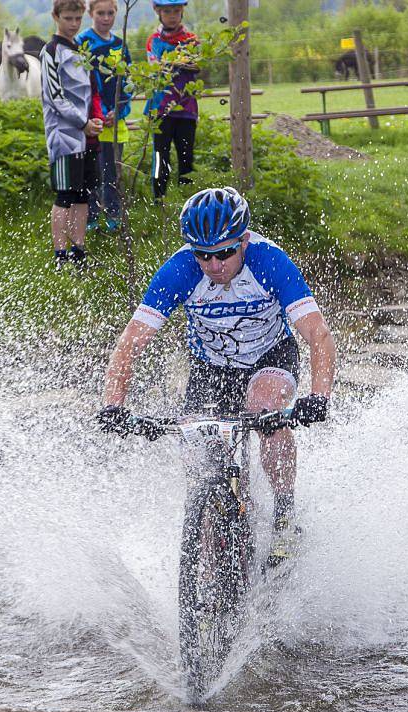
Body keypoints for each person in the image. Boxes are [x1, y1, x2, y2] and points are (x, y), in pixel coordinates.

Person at [98, 187, 336, 566]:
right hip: (211, 367)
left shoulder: (268, 261)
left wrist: (318, 395)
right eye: (204, 255)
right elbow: (131, 342)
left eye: (225, 252)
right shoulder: (180, 270)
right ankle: (212, 539)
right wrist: (113, 404)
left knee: (264, 411)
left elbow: (317, 334)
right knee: (198, 453)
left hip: (269, 356)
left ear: (243, 240)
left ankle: (285, 513)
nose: (214, 265)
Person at [40, 0, 103, 272]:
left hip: (87, 134)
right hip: (64, 136)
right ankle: (59, 255)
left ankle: (79, 252)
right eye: (68, 18)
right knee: (64, 195)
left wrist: (98, 117)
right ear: (56, 17)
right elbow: (56, 98)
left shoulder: (80, 49)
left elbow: (89, 90)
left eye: (78, 18)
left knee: (82, 196)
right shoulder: (51, 51)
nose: (74, 24)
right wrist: (82, 123)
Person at [77, 0, 132, 233]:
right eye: (101, 13)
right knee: (91, 170)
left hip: (113, 119)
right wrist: (90, 115)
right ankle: (89, 216)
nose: (106, 18)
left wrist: (118, 110)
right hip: (90, 120)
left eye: (110, 13)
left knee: (111, 169)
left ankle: (113, 215)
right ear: (91, 13)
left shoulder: (120, 45)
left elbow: (129, 83)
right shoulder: (82, 43)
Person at [144, 0, 198, 202]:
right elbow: (157, 69)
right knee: (160, 156)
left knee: (186, 157)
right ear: (158, 11)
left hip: (186, 108)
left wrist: (173, 62)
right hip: (161, 109)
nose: (172, 15)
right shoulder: (154, 40)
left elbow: (197, 65)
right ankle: (159, 200)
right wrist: (181, 61)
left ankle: (189, 200)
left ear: (182, 11)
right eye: (167, 11)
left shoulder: (191, 39)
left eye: (176, 11)